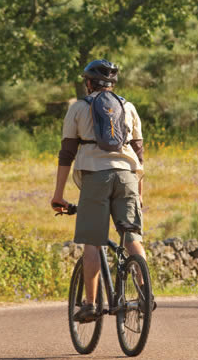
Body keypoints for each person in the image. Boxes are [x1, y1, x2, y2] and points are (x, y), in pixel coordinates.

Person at [51, 59, 145, 323]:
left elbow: (67, 153)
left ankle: (91, 304)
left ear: (89, 83)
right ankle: (144, 291)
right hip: (128, 177)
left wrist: (58, 195)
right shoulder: (128, 107)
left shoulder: (79, 108)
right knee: (131, 236)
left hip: (95, 177)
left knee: (93, 241)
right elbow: (139, 155)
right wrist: (139, 194)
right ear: (113, 84)